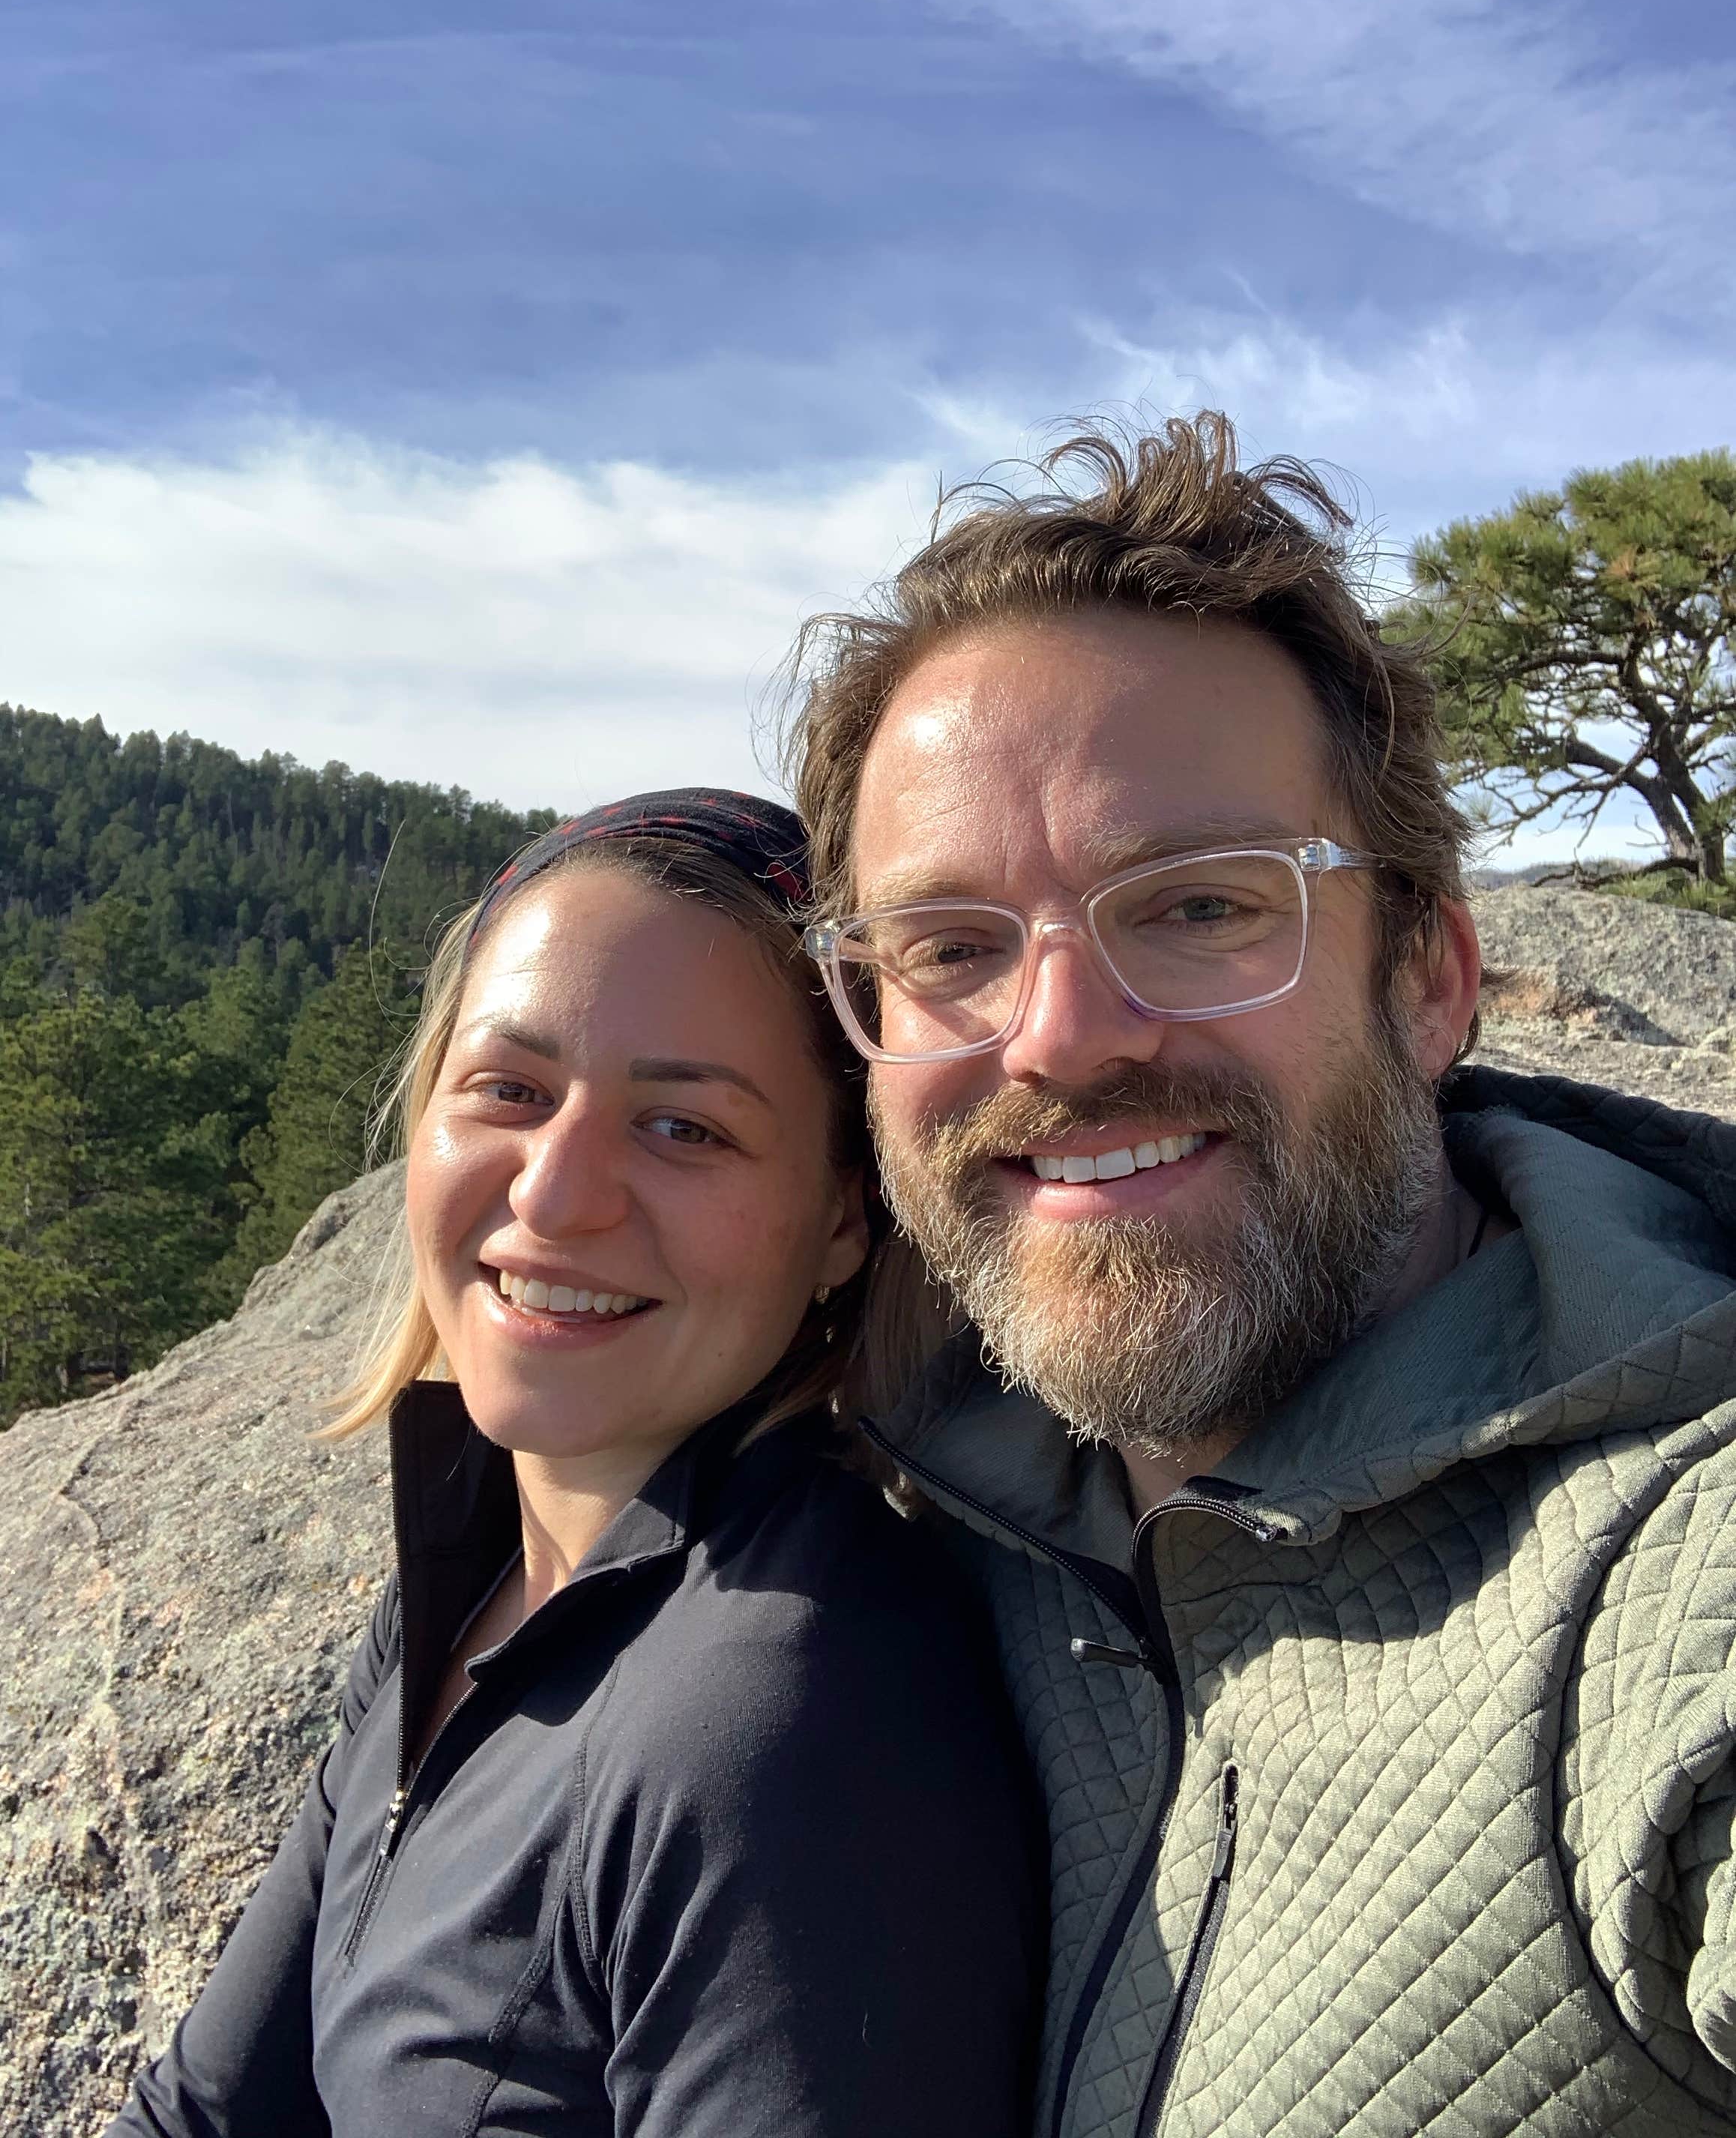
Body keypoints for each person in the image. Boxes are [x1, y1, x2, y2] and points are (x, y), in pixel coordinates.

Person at [784, 415, 1736, 2137]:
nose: (1059, 1039)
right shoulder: (928, 1513)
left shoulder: (1676, 1565)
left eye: (1202, 905)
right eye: (948, 948)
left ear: (1435, 979)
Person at [108, 789, 1041, 2138]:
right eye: (511, 1090)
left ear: (847, 1219)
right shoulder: (482, 1574)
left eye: (685, 1128)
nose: (553, 1194)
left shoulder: (782, 1717)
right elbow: (210, 2109)